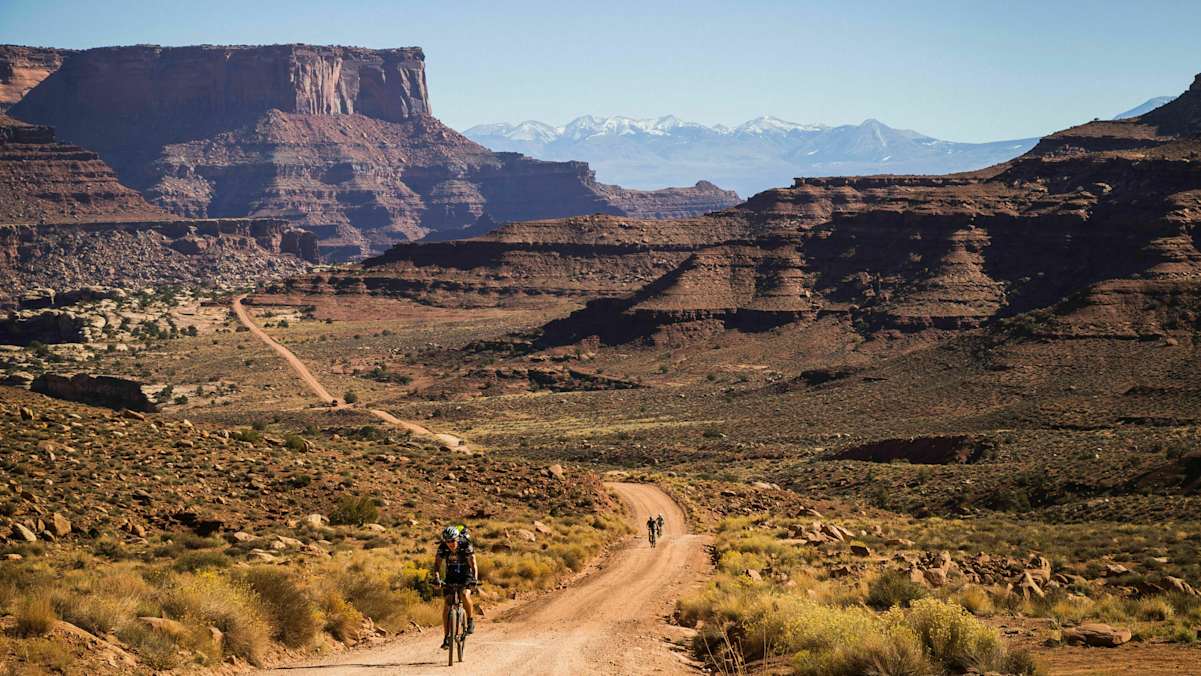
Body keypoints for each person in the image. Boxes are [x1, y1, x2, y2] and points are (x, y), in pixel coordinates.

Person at [433, 525, 478, 649]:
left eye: (453, 540)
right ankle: (447, 637)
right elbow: (436, 565)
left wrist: (474, 580)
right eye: (448, 541)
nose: (451, 544)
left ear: (457, 538)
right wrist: (437, 579)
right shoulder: (443, 548)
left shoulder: (466, 545)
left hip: (466, 575)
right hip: (451, 575)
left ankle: (470, 621)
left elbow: (473, 564)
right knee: (447, 604)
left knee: (464, 594)